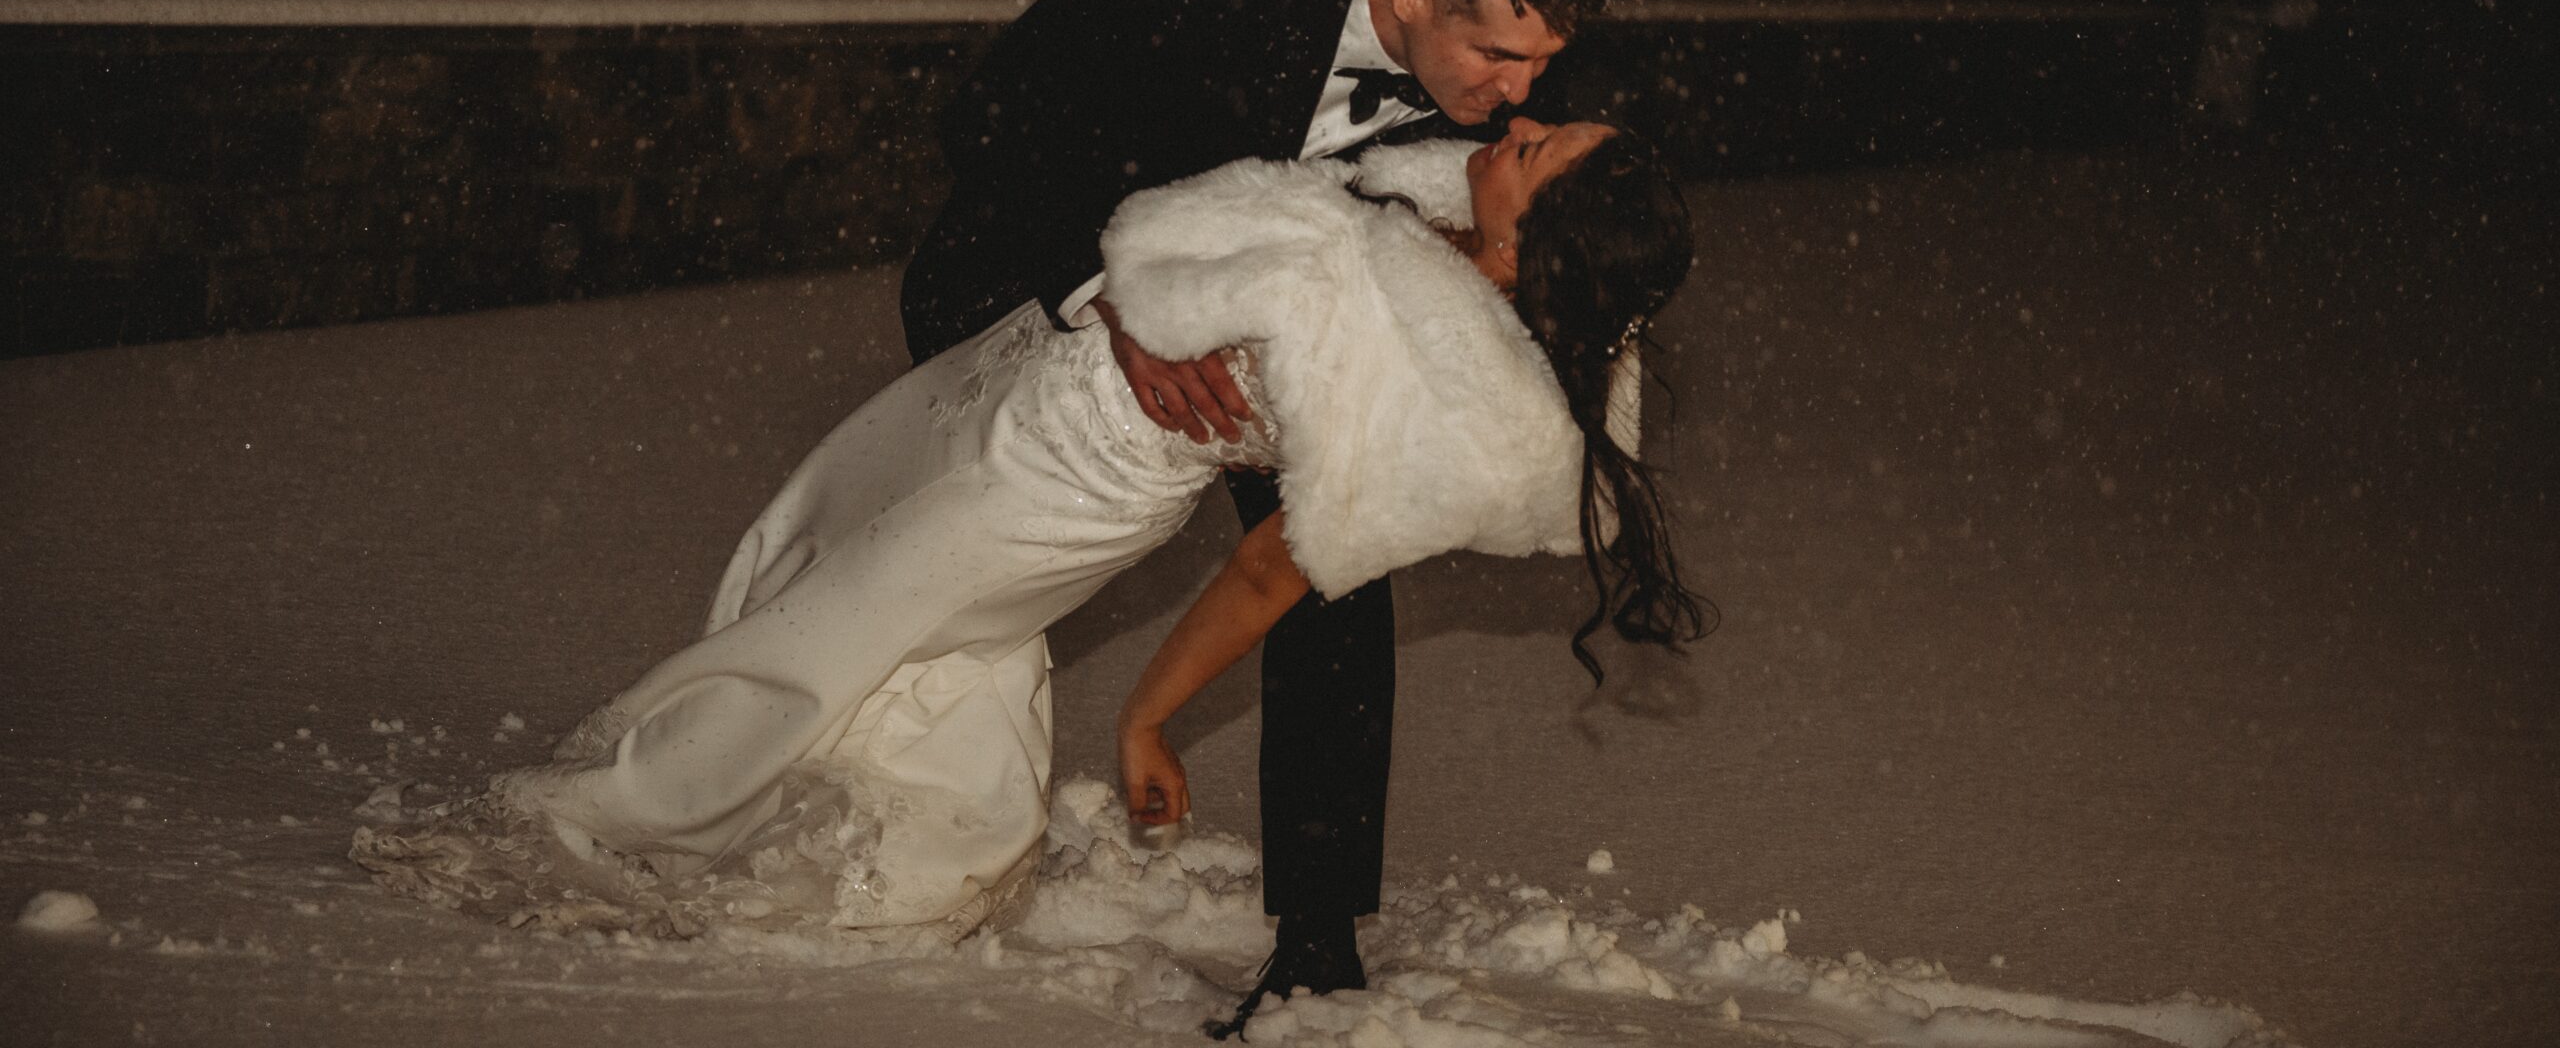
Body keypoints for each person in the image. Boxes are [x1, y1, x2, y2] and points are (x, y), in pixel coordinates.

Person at [349, 124, 1703, 1012]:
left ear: (1548, 236)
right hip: (1017, 379)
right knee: (849, 549)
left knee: (843, 626)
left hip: (1065, 483)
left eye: (1542, 148)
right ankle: (839, 805)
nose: (1516, 127)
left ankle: (629, 799)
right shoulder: (1449, 222)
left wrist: (1147, 716)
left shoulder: (1428, 389)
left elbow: (1270, 577)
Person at [900, 0, 1611, 1025]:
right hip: (1021, 293)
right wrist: (1108, 292)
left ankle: (1319, 945)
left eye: (1544, 64)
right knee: (954, 581)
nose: (1522, 92)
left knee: (1335, 553)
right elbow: (987, 116)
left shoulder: (1477, 112)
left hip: (1258, 334)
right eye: (1500, 56)